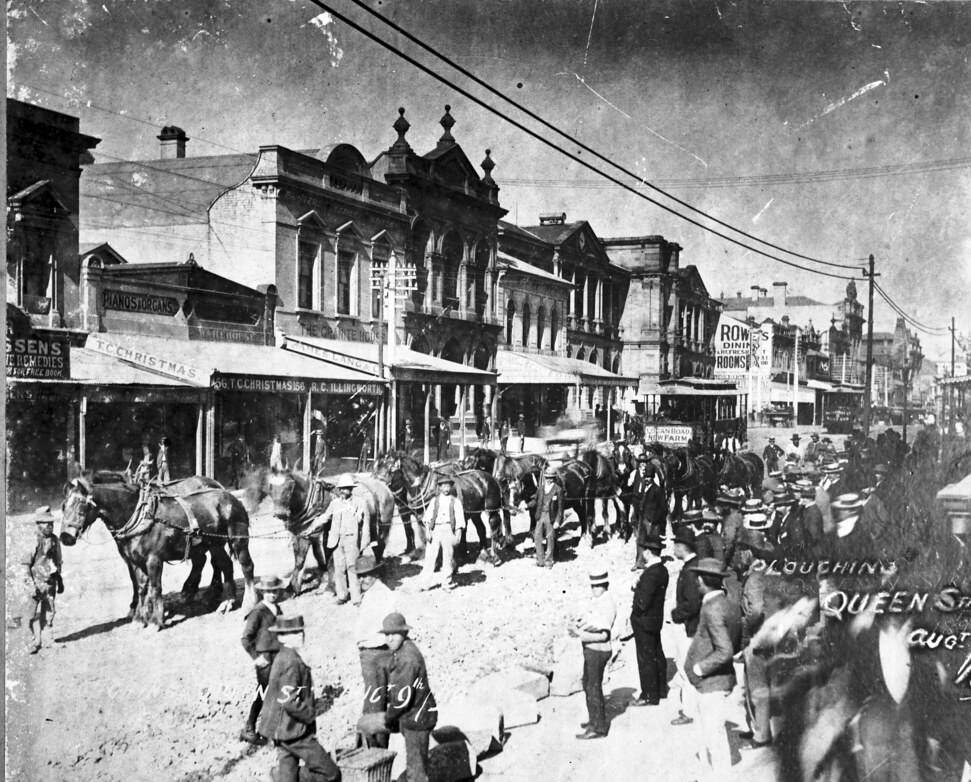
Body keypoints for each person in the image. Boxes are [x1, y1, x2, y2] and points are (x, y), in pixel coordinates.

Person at [257, 615, 340, 782]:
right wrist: (310, 714)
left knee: (288, 774)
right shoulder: (291, 662)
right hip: (294, 730)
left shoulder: (283, 657)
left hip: (280, 730)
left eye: (300, 631)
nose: (300, 635)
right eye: (293, 632)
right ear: (281, 637)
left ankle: (282, 777)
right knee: (330, 773)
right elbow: (289, 700)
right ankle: (278, 775)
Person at [684, 558, 742, 781]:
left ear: (701, 580)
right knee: (710, 734)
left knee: (713, 737)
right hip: (718, 680)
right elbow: (736, 641)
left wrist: (699, 668)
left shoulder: (711, 608)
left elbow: (724, 650)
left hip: (710, 682)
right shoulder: (729, 602)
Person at [382, 612, 438, 782]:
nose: (389, 639)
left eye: (394, 634)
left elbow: (401, 698)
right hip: (414, 716)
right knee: (416, 764)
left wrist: (387, 718)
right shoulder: (403, 650)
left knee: (417, 772)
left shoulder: (407, 658)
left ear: (404, 633)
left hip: (417, 719)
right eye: (387, 634)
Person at [354, 555, 396, 749]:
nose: (362, 580)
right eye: (360, 576)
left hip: (376, 654)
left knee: (374, 705)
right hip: (372, 653)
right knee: (374, 704)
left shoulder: (381, 594)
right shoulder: (375, 592)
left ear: (376, 574)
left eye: (366, 576)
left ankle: (374, 751)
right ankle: (371, 748)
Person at [239, 575, 287, 745]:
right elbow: (246, 638)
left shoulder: (278, 609)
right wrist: (256, 657)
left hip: (278, 656)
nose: (272, 595)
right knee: (264, 693)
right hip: (265, 659)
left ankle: (272, 730)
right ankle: (251, 727)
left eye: (275, 591)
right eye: (269, 592)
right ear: (263, 592)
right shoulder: (258, 611)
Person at [572, 570, 616, 740]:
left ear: (606, 586)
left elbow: (604, 634)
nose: (595, 589)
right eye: (593, 586)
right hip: (592, 649)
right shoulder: (599, 601)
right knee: (588, 684)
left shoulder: (606, 604)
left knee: (593, 687)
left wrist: (579, 635)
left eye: (599, 586)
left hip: (598, 649)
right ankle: (594, 720)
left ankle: (598, 726)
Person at [630, 534, 669, 706]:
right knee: (656, 653)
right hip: (655, 619)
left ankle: (649, 694)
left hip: (644, 621)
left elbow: (642, 602)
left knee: (645, 658)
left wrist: (637, 588)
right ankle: (660, 689)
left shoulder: (651, 573)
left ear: (647, 552)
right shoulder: (662, 570)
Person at [669, 525, 702, 727]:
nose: (673, 548)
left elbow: (692, 603)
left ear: (682, 547)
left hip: (690, 626)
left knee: (686, 668)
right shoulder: (695, 565)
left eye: (675, 545)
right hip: (695, 625)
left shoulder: (689, 571)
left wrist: (675, 614)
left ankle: (689, 710)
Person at [323, 475, 370, 605]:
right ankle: (342, 595)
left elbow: (366, 523)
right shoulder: (335, 503)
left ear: (351, 489)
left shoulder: (360, 502)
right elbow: (325, 517)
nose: (342, 491)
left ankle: (356, 598)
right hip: (337, 541)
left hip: (351, 541)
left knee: (352, 568)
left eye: (345, 489)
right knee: (339, 569)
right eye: (341, 489)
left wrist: (365, 541)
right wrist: (310, 528)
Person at [24, 506, 63, 654]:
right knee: (32, 614)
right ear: (38, 524)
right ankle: (33, 641)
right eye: (46, 523)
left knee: (49, 612)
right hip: (36, 583)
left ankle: (48, 640)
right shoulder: (33, 540)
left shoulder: (54, 540)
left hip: (50, 583)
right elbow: (25, 565)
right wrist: (30, 586)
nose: (50, 526)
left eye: (51, 523)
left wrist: (60, 580)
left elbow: (58, 561)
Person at [420, 476, 465, 591]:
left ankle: (446, 582)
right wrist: (428, 531)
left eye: (448, 485)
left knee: (448, 557)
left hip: (448, 530)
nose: (446, 488)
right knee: (430, 557)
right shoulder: (435, 501)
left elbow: (460, 519)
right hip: (435, 530)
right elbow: (427, 518)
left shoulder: (455, 501)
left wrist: (458, 533)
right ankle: (425, 583)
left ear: (451, 487)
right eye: (443, 486)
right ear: (439, 487)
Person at [630, 458, 666, 570]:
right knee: (640, 540)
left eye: (649, 478)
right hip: (643, 518)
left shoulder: (657, 490)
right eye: (645, 478)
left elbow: (663, 508)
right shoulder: (644, 488)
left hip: (652, 520)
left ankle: (652, 563)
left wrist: (655, 519)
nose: (647, 480)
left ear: (652, 478)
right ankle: (639, 562)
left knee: (652, 542)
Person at [530, 461, 564, 568]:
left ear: (554, 478)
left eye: (551, 477)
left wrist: (558, 521)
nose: (549, 479)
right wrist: (526, 505)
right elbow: (535, 501)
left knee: (550, 538)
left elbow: (560, 508)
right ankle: (540, 560)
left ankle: (549, 561)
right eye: (547, 477)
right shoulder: (541, 488)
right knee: (537, 537)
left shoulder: (558, 490)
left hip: (551, 517)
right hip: (540, 516)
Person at [311, 410, 328, 474]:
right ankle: (314, 473)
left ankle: (319, 473)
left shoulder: (323, 441)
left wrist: (324, 457)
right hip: (315, 454)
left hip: (320, 454)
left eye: (320, 435)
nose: (319, 436)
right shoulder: (314, 441)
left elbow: (325, 449)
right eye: (318, 435)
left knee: (319, 464)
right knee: (314, 464)